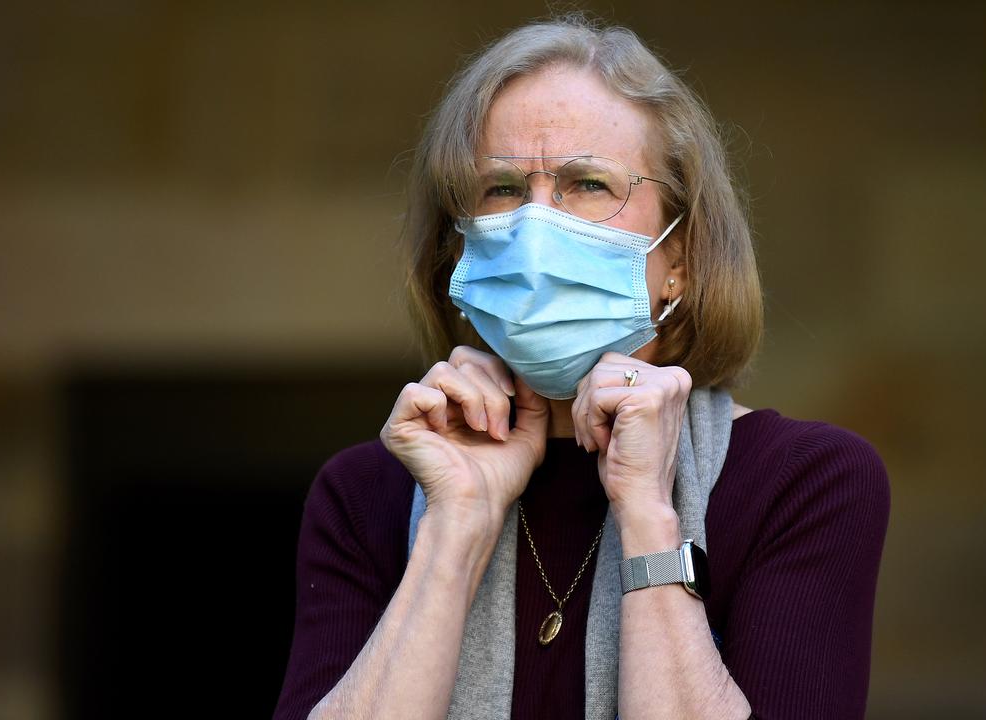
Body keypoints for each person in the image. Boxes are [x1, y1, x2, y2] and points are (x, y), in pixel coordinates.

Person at [273, 15, 889, 720]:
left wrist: (650, 514)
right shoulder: (368, 495)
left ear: (679, 256)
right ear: (459, 251)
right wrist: (454, 529)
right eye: (501, 189)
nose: (537, 228)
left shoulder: (804, 481)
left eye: (587, 183)